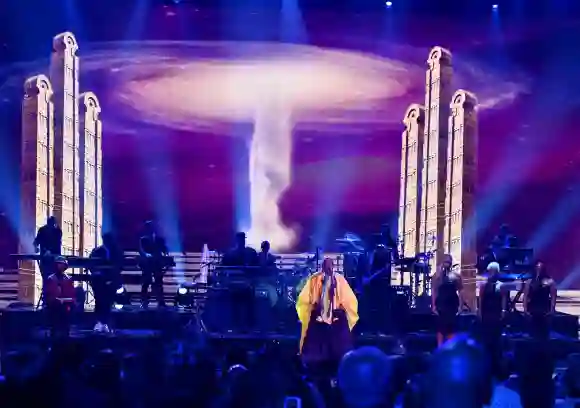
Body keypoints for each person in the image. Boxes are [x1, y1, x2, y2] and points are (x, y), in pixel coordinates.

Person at [297, 257, 358, 373]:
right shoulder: (315, 279)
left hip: (336, 319)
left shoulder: (340, 280)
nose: (328, 268)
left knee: (339, 347)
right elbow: (304, 299)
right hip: (318, 319)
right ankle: (316, 367)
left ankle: (339, 365)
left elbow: (350, 301)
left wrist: (341, 309)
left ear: (334, 267)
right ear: (323, 267)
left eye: (330, 266)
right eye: (326, 266)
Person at [90, 232, 123, 333]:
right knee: (99, 301)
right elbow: (91, 265)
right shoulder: (97, 251)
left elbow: (120, 265)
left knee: (108, 302)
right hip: (99, 281)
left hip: (111, 280)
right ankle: (99, 323)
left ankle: (106, 323)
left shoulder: (116, 251)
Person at [478, 262, 506, 377]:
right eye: (491, 271)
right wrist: (479, 311)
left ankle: (496, 364)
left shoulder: (501, 285)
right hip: (486, 313)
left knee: (496, 339)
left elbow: (504, 298)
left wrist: (504, 311)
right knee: (486, 338)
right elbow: (480, 299)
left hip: (496, 312)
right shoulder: (484, 284)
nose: (492, 273)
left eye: (495, 271)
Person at [432, 254, 463, 346]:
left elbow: (461, 291)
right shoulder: (437, 276)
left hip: (452, 304)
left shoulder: (456, 276)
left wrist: (461, 306)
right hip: (441, 304)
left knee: (451, 328)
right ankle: (440, 347)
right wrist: (433, 305)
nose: (447, 264)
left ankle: (450, 348)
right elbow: (434, 290)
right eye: (445, 262)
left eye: (449, 262)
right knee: (440, 328)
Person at [523, 260, 556, 340]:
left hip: (544, 309)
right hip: (533, 308)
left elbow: (553, 296)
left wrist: (552, 309)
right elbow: (525, 296)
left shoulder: (550, 281)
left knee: (544, 333)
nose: (539, 269)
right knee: (533, 332)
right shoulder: (530, 281)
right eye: (537, 267)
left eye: (541, 268)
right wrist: (525, 309)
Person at [139, 221, 169, 308]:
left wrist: (165, 254)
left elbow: (164, 248)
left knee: (159, 282)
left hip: (157, 263)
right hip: (147, 264)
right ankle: (144, 301)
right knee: (146, 282)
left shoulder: (159, 239)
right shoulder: (143, 239)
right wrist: (147, 255)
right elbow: (142, 251)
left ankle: (161, 302)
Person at [44, 256, 75, 338]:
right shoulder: (51, 279)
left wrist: (68, 300)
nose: (61, 266)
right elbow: (49, 295)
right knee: (55, 323)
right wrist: (56, 300)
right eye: (59, 264)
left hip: (66, 305)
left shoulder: (68, 278)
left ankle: (66, 337)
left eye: (63, 264)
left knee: (66, 322)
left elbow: (71, 294)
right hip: (54, 305)